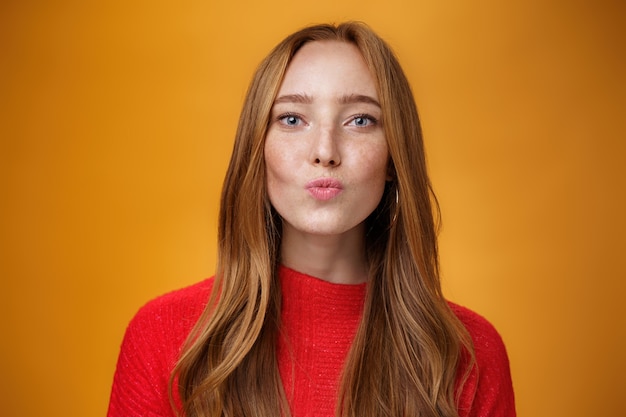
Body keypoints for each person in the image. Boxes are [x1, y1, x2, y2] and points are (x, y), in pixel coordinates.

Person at [107, 22, 515, 417]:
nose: (325, 151)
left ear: (394, 155)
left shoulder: (470, 356)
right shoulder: (163, 338)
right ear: (257, 147)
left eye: (360, 120)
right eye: (292, 119)